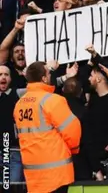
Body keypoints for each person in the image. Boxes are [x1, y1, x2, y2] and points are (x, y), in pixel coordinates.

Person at [14, 61, 81, 193]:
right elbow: (72, 130)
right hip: (56, 174)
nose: (50, 75)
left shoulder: (19, 104)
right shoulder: (53, 100)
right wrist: (74, 150)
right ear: (44, 78)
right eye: (49, 73)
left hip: (33, 175)